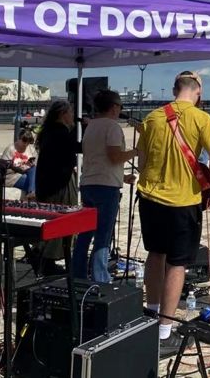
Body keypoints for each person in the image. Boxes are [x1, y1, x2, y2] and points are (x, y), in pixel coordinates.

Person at [136, 71, 210, 354]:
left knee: (155, 254)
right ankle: (164, 330)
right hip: (183, 201)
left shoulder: (152, 118)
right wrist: (207, 179)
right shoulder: (201, 118)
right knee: (177, 264)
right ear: (198, 91)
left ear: (174, 89)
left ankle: (150, 313)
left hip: (150, 197)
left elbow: (143, 159)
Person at [72, 90, 138, 283]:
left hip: (89, 183)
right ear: (114, 107)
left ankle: (78, 274)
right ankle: (100, 277)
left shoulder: (91, 126)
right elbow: (114, 156)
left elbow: (98, 158)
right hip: (106, 187)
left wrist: (122, 176)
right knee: (103, 235)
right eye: (119, 106)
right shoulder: (112, 127)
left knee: (85, 232)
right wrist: (135, 151)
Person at [34, 99, 83, 274]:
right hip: (58, 184)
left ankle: (45, 259)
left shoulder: (48, 131)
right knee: (60, 219)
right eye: (70, 113)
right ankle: (48, 262)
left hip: (47, 182)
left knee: (51, 219)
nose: (72, 117)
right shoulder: (60, 132)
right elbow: (79, 147)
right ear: (63, 115)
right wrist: (85, 127)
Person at [0, 128, 37, 199]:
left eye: (28, 142)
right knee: (34, 183)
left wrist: (29, 164)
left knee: (34, 170)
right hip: (12, 177)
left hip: (25, 172)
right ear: (19, 139)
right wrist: (19, 167)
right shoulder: (10, 149)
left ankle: (31, 192)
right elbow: (3, 168)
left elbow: (34, 165)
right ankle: (32, 193)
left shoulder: (31, 149)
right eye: (24, 141)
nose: (26, 144)